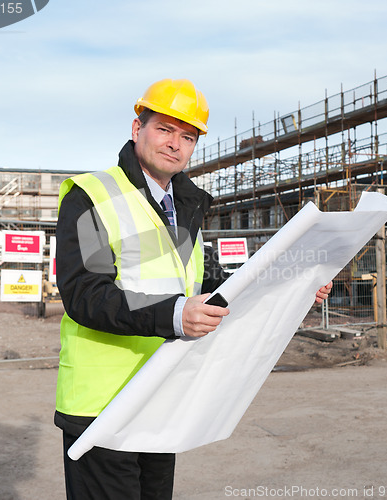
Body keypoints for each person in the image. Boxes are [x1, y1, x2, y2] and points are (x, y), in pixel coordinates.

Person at [54, 78, 332, 500]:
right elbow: (85, 294)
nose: (175, 144)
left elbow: (208, 286)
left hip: (163, 392)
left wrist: (291, 287)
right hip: (102, 403)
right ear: (136, 128)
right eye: (164, 129)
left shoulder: (186, 207)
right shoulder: (92, 196)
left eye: (187, 136)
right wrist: (174, 314)